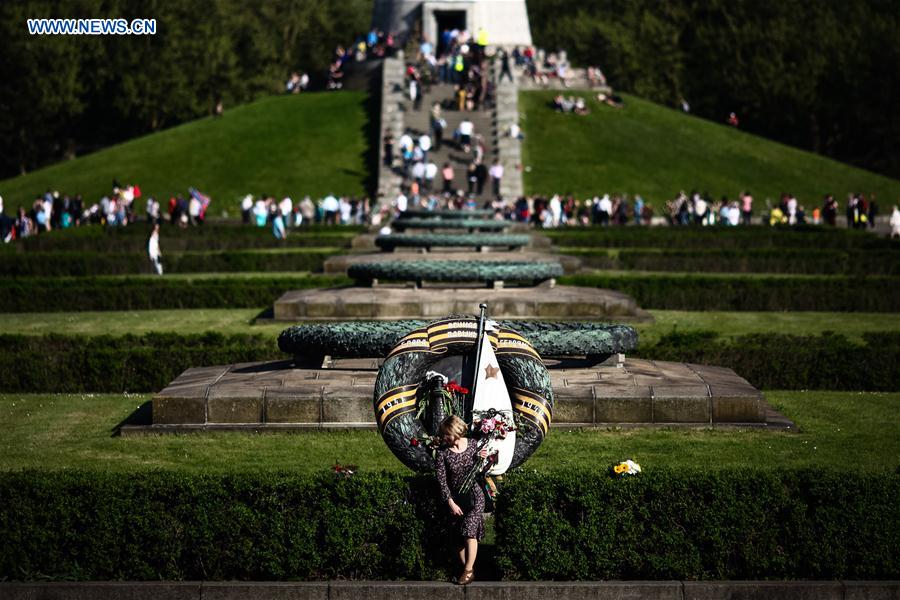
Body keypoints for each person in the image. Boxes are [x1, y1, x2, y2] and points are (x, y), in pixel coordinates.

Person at [435, 416, 489, 585]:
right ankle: (467, 570)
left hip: (475, 495)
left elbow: (483, 469)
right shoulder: (442, 453)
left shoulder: (473, 445)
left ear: (456, 432)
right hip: (456, 498)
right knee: (458, 538)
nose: (444, 438)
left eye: (447, 434)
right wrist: (450, 502)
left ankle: (468, 571)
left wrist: (483, 458)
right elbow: (442, 481)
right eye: (443, 435)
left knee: (469, 528)